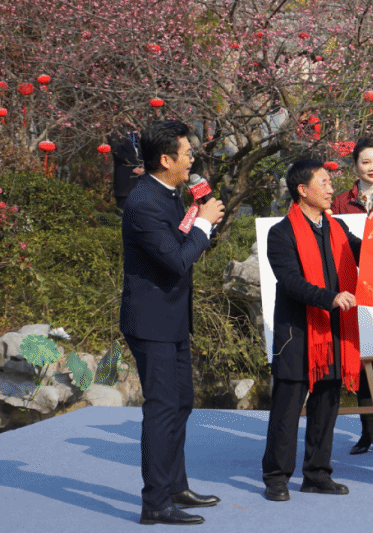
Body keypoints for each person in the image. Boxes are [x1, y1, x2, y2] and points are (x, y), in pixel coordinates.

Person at [119, 120, 225, 525]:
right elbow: (177, 260)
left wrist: (201, 220)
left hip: (174, 317)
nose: (192, 159)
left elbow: (182, 240)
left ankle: (175, 486)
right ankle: (155, 503)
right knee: (162, 409)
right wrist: (203, 223)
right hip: (151, 322)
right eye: (187, 153)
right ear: (166, 160)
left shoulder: (170, 194)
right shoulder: (144, 201)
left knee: (181, 403)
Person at [262, 159, 364, 502]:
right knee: (287, 409)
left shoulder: (338, 228)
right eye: (324, 182)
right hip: (297, 331)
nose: (331, 188)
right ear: (303, 190)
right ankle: (276, 477)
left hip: (333, 330)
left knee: (326, 405)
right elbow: (290, 281)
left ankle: (317, 474)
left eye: (330, 182)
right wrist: (330, 298)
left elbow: (368, 253)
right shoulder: (281, 233)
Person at [330, 137, 373, 457]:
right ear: (355, 166)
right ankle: (366, 432)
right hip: (354, 291)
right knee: (362, 362)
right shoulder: (340, 203)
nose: (372, 168)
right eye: (365, 162)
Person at [109, 128, 144, 212]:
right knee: (123, 213)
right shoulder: (115, 131)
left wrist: (144, 167)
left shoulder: (139, 129)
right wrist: (136, 164)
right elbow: (117, 151)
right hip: (125, 183)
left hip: (142, 184)